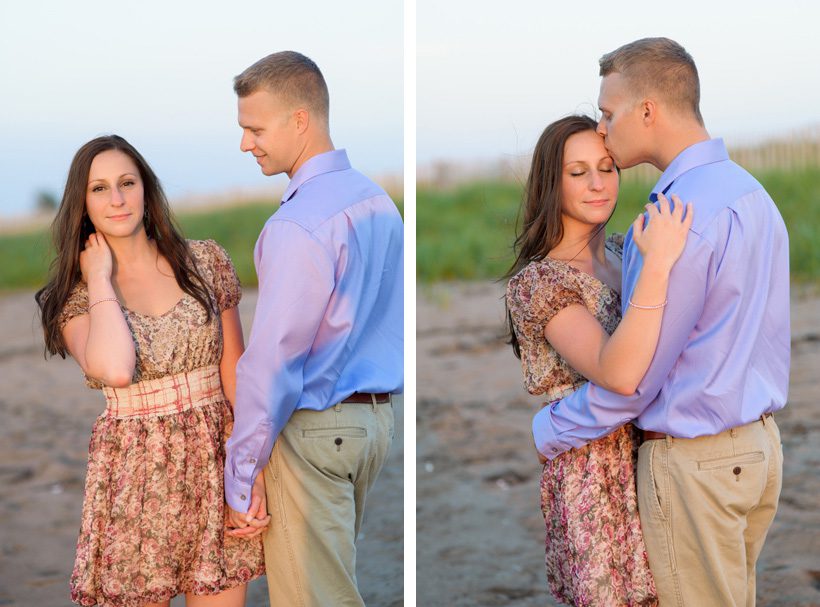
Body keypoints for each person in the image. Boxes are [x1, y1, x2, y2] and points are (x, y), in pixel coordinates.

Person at [532, 38, 789, 607]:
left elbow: (636, 377)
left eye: (608, 111)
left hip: (696, 464)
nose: (603, 127)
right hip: (760, 449)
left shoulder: (670, 218)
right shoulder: (753, 195)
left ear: (647, 110)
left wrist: (553, 427)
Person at [35, 135, 267, 607]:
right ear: (82, 204)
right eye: (99, 189)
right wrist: (99, 275)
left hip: (215, 465)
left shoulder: (204, 262)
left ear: (146, 188)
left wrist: (250, 474)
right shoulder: (76, 298)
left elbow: (236, 375)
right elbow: (116, 370)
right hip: (134, 479)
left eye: (127, 182)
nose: (117, 199)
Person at [222, 51, 403, 607]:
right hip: (373, 426)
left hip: (316, 429)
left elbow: (273, 361)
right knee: (333, 582)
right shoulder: (377, 200)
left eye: (255, 128)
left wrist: (242, 471)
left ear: (300, 119)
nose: (246, 143)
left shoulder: (297, 225)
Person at [506, 115, 692, 606]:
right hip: (594, 472)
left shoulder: (622, 253)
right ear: (552, 181)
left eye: (607, 168)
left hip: (655, 450)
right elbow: (616, 371)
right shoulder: (541, 282)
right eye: (578, 172)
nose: (597, 183)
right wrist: (658, 264)